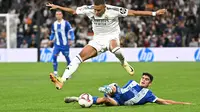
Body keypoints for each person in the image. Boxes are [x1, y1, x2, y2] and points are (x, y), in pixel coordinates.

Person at [46, 0, 167, 89]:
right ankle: (62, 80)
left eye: (99, 10)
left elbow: (134, 13)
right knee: (78, 57)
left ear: (105, 7)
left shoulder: (114, 10)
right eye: (95, 10)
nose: (96, 12)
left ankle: (123, 62)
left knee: (115, 49)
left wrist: (154, 13)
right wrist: (58, 7)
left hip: (111, 37)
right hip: (97, 40)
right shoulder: (89, 9)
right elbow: (73, 11)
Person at [64, 73, 191, 106]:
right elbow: (121, 89)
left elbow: (163, 101)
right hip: (117, 92)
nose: (143, 80)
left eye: (146, 79)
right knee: (114, 87)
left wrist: (182, 103)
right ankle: (107, 88)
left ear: (150, 84)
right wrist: (113, 89)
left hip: (119, 102)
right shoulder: (133, 82)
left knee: (106, 100)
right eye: (143, 78)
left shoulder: (149, 95)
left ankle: (78, 99)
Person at [49, 10, 75, 77]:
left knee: (67, 58)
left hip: (65, 45)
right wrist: (50, 39)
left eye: (59, 14)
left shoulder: (66, 23)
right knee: (54, 57)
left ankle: (69, 73)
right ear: (55, 15)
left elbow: (71, 31)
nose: (58, 15)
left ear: (62, 15)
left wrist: (72, 39)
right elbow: (52, 33)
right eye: (57, 14)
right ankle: (55, 72)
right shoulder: (54, 24)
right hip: (57, 45)